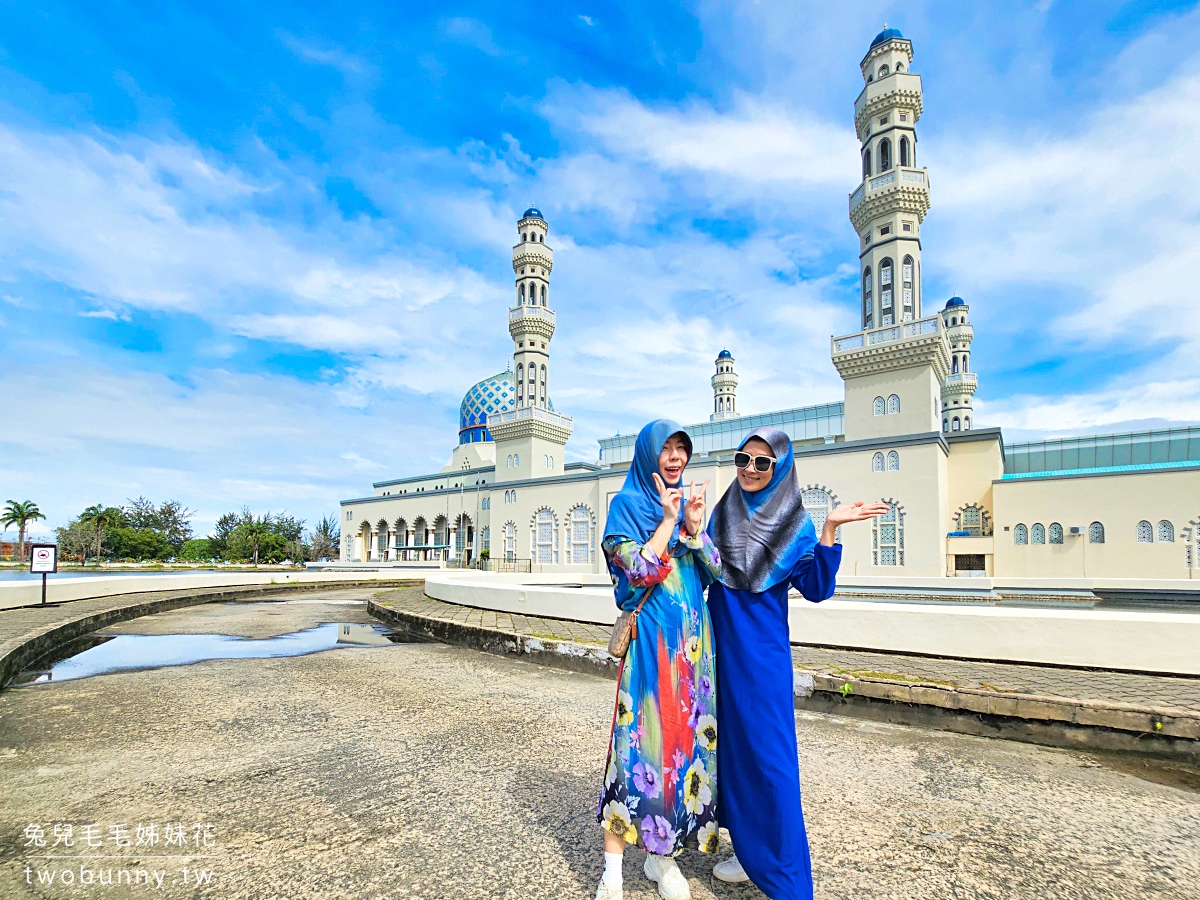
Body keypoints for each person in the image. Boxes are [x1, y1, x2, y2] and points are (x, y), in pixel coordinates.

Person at [705, 426, 888, 900]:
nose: (749, 470)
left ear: (780, 468)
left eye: (762, 463)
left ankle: (789, 882)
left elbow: (816, 588)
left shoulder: (795, 522)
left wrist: (828, 531)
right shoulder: (723, 512)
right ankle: (748, 852)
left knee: (770, 761)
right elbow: (701, 566)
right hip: (716, 652)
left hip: (761, 660)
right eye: (743, 459)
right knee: (733, 755)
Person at [595, 419, 722, 900]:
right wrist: (668, 522)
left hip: (691, 652)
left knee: (680, 752)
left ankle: (661, 858)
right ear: (648, 453)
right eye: (666, 448)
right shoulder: (626, 506)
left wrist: (694, 527)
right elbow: (639, 571)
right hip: (651, 647)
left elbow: (716, 573)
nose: (675, 457)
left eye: (681, 449)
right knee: (639, 747)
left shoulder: (685, 503)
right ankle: (612, 871)